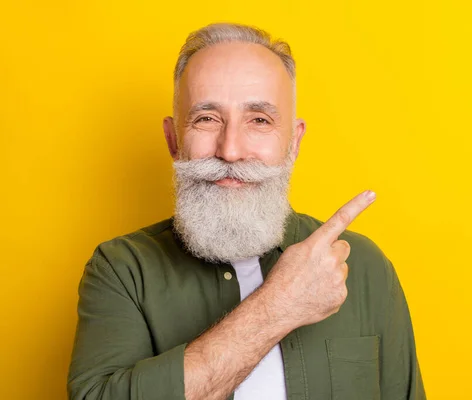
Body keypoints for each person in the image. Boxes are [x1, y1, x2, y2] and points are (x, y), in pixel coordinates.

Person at [67, 22, 426, 400]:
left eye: (260, 120)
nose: (231, 149)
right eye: (207, 118)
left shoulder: (365, 266)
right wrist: (278, 306)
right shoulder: (122, 269)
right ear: (173, 139)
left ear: (294, 142)